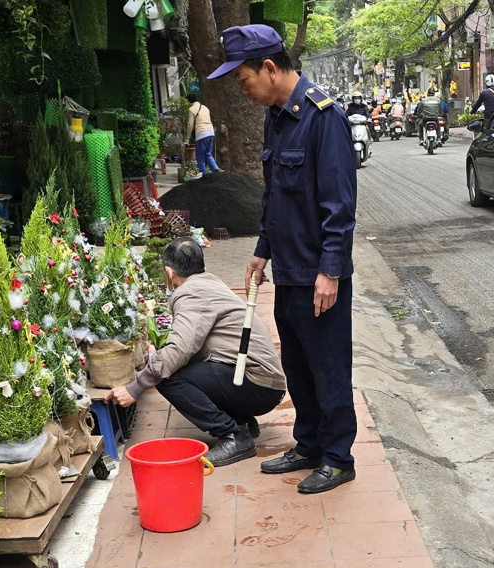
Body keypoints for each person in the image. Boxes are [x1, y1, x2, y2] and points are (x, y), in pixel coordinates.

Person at [207, 24, 358, 494]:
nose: (243, 88)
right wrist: (261, 251)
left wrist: (330, 270)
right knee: (298, 364)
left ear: (269, 68)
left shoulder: (322, 117)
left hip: (318, 275)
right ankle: (309, 443)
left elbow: (339, 207)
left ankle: (337, 457)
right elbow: (275, 199)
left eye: (243, 79)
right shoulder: (275, 117)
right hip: (288, 271)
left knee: (328, 366)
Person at [105, 238, 287, 467]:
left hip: (256, 384)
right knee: (173, 366)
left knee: (166, 377)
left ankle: (234, 437)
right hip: (263, 383)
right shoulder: (210, 283)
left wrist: (135, 388)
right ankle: (241, 420)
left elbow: (179, 351)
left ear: (169, 272)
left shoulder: (191, 293)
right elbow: (192, 344)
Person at [184, 94, 221, 176]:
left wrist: (187, 138)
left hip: (201, 133)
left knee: (200, 156)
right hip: (211, 132)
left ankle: (203, 176)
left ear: (189, 101)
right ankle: (215, 170)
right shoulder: (205, 108)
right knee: (208, 154)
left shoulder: (191, 109)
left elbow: (190, 125)